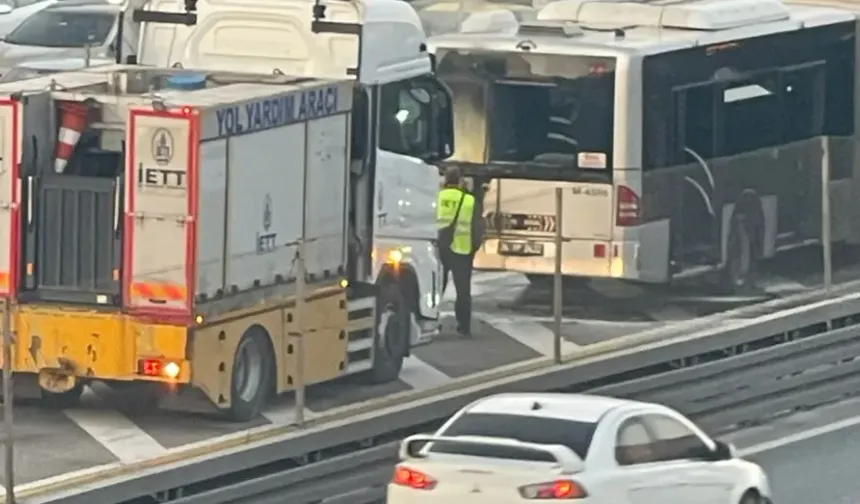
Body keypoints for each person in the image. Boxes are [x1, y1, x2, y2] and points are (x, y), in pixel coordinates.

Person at [436, 167, 483, 336]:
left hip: (439, 249)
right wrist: (474, 248)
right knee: (463, 292)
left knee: (435, 289)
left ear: (445, 180)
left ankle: (432, 321)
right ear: (460, 181)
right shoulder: (469, 201)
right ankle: (464, 326)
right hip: (462, 251)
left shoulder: (436, 197)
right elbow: (478, 229)